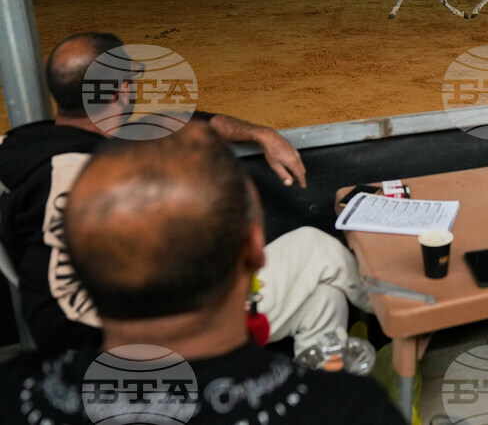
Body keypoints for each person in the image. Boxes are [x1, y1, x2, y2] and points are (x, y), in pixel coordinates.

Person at [0, 122, 405, 425]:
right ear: (254, 250)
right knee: (319, 256)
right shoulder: (353, 409)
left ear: (80, 268)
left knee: (323, 296)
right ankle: (409, 314)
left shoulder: (13, 392)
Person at [0, 32, 371, 357]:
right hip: (139, 345)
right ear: (122, 89)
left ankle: (317, 392)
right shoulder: (71, 177)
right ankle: (409, 311)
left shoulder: (56, 145)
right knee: (314, 249)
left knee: (323, 299)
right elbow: (65, 313)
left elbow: (184, 121)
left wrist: (260, 134)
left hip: (150, 309)